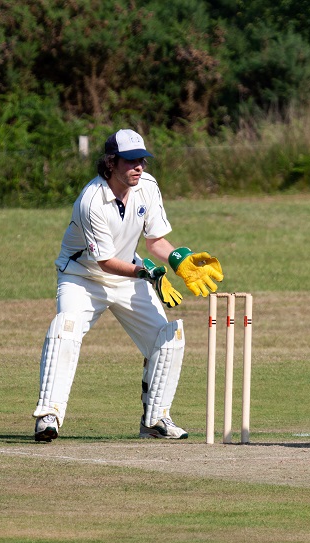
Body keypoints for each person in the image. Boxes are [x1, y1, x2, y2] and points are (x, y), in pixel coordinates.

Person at [32, 129, 224, 442]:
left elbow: (155, 240)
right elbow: (105, 261)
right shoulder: (91, 201)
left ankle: (155, 420)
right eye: (131, 161)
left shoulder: (146, 186)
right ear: (111, 162)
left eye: (142, 161)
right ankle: (48, 415)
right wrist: (144, 273)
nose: (139, 167)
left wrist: (178, 260)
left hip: (130, 274)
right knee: (65, 327)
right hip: (83, 276)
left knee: (168, 337)